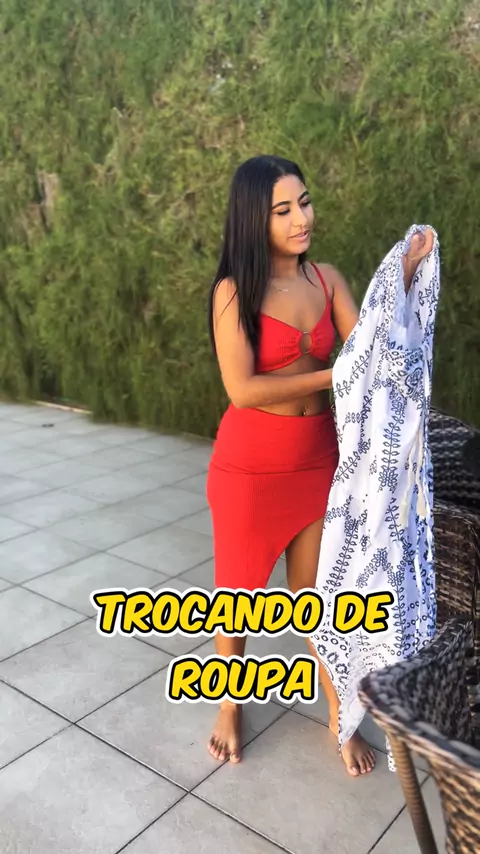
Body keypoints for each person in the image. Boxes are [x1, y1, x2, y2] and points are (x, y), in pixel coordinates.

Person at [206, 154, 432, 776]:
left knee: (316, 597)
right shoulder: (234, 291)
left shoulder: (327, 279)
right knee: (238, 595)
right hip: (250, 469)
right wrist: (335, 374)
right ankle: (228, 706)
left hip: (317, 462)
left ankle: (338, 712)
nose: (301, 218)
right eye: (282, 210)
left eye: (303, 202)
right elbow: (243, 390)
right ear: (254, 220)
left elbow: (372, 345)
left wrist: (404, 275)